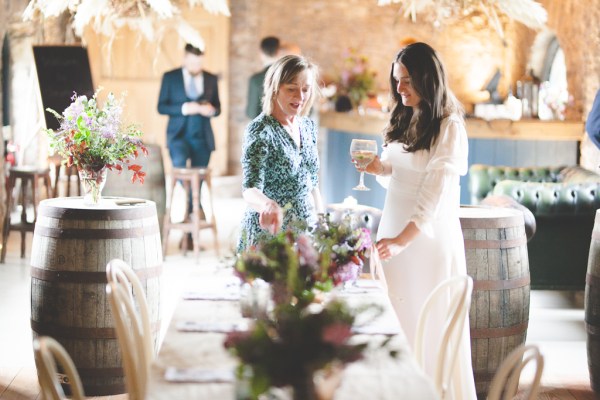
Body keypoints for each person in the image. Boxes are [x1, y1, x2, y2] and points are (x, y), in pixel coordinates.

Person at [357, 42, 476, 399]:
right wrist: (380, 168)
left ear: (428, 79)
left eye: (407, 81)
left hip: (425, 237)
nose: (399, 89)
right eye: (397, 80)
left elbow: (434, 191)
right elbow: (399, 172)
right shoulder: (405, 114)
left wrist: (403, 239)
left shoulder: (449, 126)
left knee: (428, 322)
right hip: (395, 228)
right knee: (397, 318)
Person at [238, 55, 324, 251]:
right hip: (269, 236)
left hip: (304, 236)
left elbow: (313, 183)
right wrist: (268, 205)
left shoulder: (308, 126)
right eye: (292, 89)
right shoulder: (260, 130)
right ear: (275, 88)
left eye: (305, 89)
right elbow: (250, 190)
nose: (300, 97)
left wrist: (322, 223)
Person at [157, 43, 220, 248]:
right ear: (185, 58)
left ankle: (190, 237)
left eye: (199, 62)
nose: (196, 66)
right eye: (192, 62)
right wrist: (186, 107)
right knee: (183, 178)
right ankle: (194, 212)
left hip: (202, 137)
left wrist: (210, 109)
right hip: (178, 137)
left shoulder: (210, 78)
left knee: (198, 182)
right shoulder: (170, 77)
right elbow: (161, 106)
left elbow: (217, 107)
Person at [246, 36, 280, 120]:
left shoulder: (256, 79)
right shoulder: (291, 75)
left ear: (261, 52)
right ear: (279, 52)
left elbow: (251, 112)